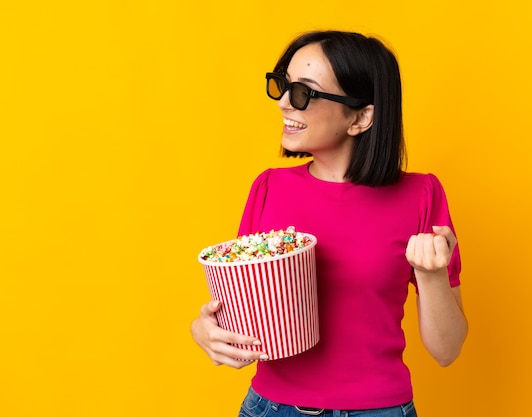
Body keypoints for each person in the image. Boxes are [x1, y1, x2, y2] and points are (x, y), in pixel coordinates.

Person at [191, 30, 468, 417]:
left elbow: (447, 350)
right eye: (283, 86)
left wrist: (432, 274)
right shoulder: (269, 188)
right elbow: (247, 314)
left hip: (380, 410)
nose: (285, 103)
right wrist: (206, 330)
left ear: (360, 117)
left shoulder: (421, 194)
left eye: (304, 92)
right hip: (271, 407)